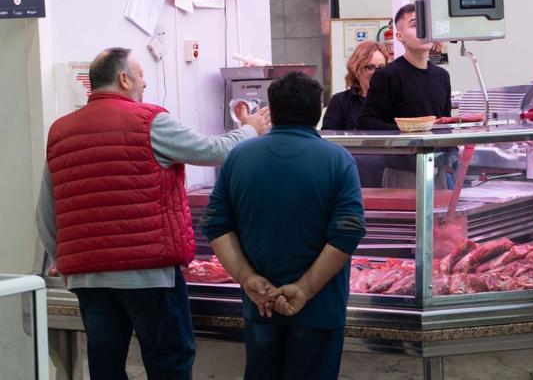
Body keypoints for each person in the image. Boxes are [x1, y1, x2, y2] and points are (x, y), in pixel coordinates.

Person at [36, 47, 270, 379]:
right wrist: (250, 129)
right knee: (169, 365)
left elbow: (45, 212)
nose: (144, 83)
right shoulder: (149, 121)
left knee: (105, 368)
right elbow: (215, 151)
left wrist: (67, 262)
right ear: (123, 78)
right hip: (149, 276)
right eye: (142, 75)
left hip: (89, 280)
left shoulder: (60, 132)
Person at [202, 72, 366, 380]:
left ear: (272, 111)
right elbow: (348, 231)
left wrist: (247, 277)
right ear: (318, 111)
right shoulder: (338, 159)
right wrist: (304, 289)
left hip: (260, 305)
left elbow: (214, 223)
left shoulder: (238, 157)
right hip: (319, 309)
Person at [356, 3, 452, 130]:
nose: (423, 31)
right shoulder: (387, 75)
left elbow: (445, 122)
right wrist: (406, 133)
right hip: (403, 148)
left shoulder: (442, 76)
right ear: (400, 36)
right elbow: (365, 122)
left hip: (439, 148)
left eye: (427, 25)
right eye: (415, 25)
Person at [322, 40, 387, 131]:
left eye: (381, 67)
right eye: (370, 67)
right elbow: (328, 138)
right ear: (356, 69)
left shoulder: (395, 100)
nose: (376, 73)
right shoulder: (340, 102)